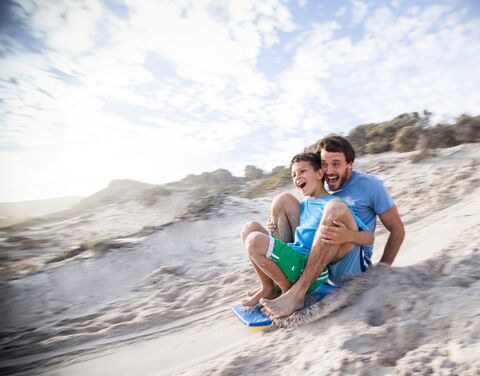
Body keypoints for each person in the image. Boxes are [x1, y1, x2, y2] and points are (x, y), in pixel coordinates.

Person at [261, 135, 405, 316]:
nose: (329, 171)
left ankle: (298, 293)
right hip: (318, 254)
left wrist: (382, 269)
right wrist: (277, 223)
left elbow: (397, 230)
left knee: (335, 208)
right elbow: (309, 214)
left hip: (348, 259)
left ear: (349, 164)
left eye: (336, 164)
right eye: (324, 164)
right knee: (283, 200)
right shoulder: (322, 184)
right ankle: (283, 282)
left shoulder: (371, 186)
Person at [240, 152, 374, 307]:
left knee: (254, 241)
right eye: (294, 175)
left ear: (318, 173)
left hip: (328, 267)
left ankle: (289, 290)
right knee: (251, 227)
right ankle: (268, 287)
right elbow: (300, 234)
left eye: (302, 171)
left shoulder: (334, 204)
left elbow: (369, 237)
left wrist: (348, 236)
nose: (297, 177)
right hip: (303, 257)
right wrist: (273, 229)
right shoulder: (305, 205)